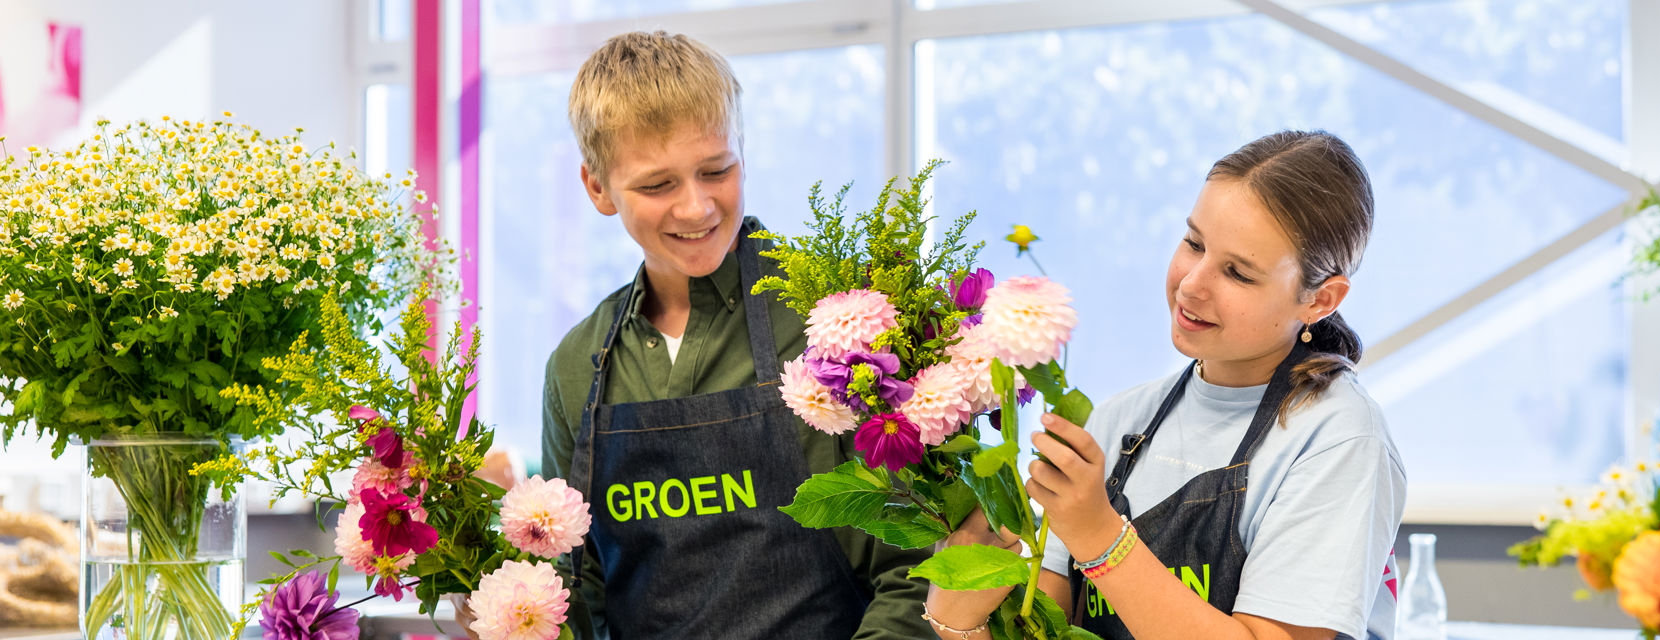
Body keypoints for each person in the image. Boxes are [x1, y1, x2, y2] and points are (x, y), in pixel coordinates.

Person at [456, 31, 934, 640]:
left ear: (744, 153)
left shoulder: (840, 324)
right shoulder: (577, 366)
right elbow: (577, 593)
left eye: (717, 170)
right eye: (658, 186)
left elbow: (915, 570)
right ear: (598, 187)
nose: (696, 207)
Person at [924, 130, 1406, 640]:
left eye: (1238, 273)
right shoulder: (1117, 421)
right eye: (1193, 243)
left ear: (1321, 299)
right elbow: (1043, 630)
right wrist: (957, 618)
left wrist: (1101, 538)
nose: (1192, 284)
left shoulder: (1341, 441)